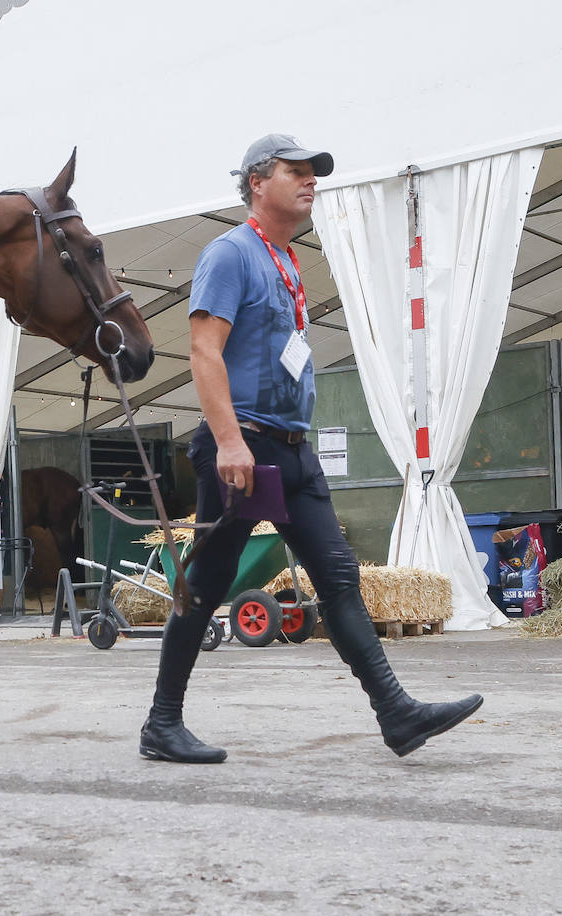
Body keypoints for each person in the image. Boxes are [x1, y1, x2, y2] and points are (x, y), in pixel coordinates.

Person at [139, 134, 483, 764]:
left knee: (340, 578)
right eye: (294, 172)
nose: (310, 181)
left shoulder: (287, 260)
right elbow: (203, 352)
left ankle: (396, 713)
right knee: (210, 582)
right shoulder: (229, 254)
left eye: (313, 174)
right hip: (245, 447)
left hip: (292, 450)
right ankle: (161, 725)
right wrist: (229, 443)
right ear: (255, 184)